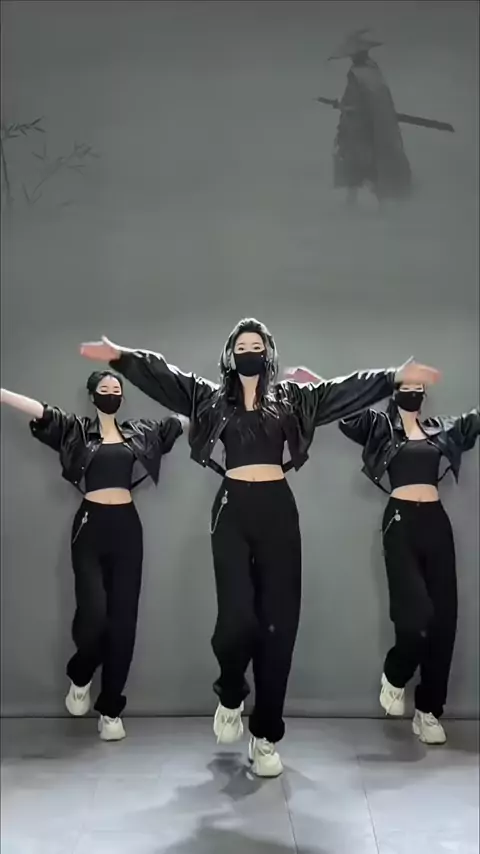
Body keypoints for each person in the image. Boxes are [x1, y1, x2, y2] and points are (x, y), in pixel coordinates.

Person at [79, 320, 440, 775]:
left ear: (268, 354)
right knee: (236, 621)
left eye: (257, 344)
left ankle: (266, 736)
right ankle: (231, 693)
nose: (249, 349)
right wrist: (120, 356)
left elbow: (342, 390)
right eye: (241, 345)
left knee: (278, 627)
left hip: (278, 511)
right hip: (232, 509)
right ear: (230, 356)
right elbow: (164, 377)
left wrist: (392, 377)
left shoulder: (292, 399)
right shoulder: (210, 397)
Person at [288, 367, 479, 745]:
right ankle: (395, 674)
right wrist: (316, 382)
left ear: (424, 395)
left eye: (418, 387)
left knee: (444, 621)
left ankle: (428, 711)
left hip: (436, 524)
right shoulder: (379, 427)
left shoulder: (441, 428)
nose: (413, 391)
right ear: (395, 392)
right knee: (416, 616)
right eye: (406, 386)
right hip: (401, 522)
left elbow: (474, 421)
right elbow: (345, 410)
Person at [0, 372, 186, 741]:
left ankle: (111, 710)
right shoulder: (76, 431)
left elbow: (178, 422)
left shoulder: (140, 432)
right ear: (92, 395)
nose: (112, 394)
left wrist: (209, 404)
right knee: (94, 614)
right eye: (105, 389)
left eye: (117, 390)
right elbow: (42, 412)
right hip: (90, 525)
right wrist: (3, 393)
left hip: (127, 528)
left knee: (123, 623)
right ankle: (81, 674)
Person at [328, 29, 412, 207]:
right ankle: (368, 203)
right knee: (370, 163)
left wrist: (344, 107)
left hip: (360, 127)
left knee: (358, 163)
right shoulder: (374, 69)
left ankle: (358, 204)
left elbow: (355, 101)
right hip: (374, 125)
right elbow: (378, 99)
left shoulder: (357, 73)